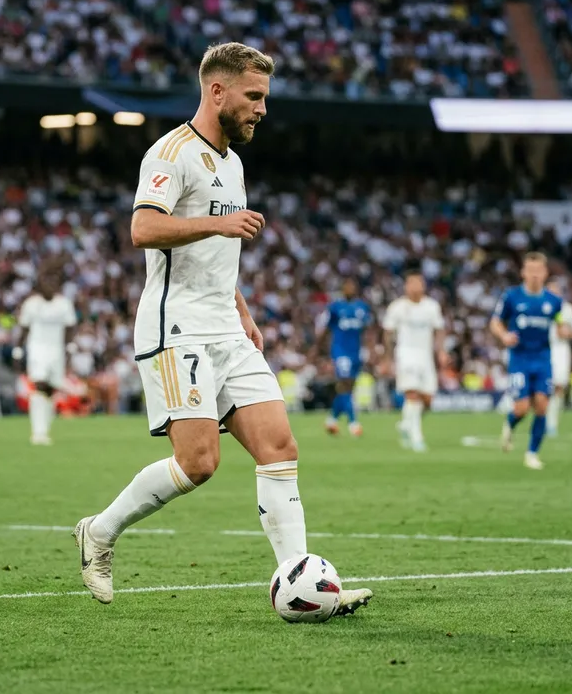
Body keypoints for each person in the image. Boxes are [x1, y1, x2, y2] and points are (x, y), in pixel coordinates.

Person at [72, 42, 373, 615]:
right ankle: (100, 531)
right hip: (176, 326)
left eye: (264, 97)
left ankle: (304, 587)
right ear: (218, 91)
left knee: (279, 447)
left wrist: (241, 307)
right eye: (254, 96)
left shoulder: (233, 163)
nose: (262, 109)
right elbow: (143, 229)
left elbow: (212, 250)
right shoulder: (171, 153)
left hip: (225, 327)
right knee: (199, 463)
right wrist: (220, 222)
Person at [490, 252, 564, 470]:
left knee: (542, 405)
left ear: (545, 273)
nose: (534, 275)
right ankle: (510, 424)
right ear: (523, 272)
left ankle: (532, 453)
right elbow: (495, 322)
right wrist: (504, 335)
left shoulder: (554, 301)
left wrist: (564, 329)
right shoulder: (511, 297)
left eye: (538, 271)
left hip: (543, 359)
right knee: (521, 408)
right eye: (530, 271)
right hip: (519, 359)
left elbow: (559, 322)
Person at [382, 271, 447, 452]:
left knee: (427, 400)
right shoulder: (397, 307)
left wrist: (441, 351)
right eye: (411, 284)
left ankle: (405, 424)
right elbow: (387, 332)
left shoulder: (431, 307)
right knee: (412, 394)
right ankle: (417, 437)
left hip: (425, 356)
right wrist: (387, 358)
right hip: (406, 354)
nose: (415, 288)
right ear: (406, 287)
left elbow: (439, 329)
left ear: (423, 286)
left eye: (418, 284)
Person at [14, 271, 77, 445]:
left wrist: (70, 348)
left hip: (56, 350)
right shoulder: (31, 304)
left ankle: (45, 429)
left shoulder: (64, 304)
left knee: (51, 389)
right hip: (37, 349)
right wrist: (18, 350)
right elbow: (24, 329)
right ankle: (37, 431)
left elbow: (70, 328)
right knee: (39, 385)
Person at [318, 277, 370, 437]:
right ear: (343, 289)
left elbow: (367, 329)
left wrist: (370, 348)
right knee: (344, 384)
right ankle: (353, 423)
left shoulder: (362, 307)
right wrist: (321, 349)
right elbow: (326, 329)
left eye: (352, 286)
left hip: (356, 351)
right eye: (347, 286)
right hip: (340, 351)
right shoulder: (335, 307)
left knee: (349, 388)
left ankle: (332, 419)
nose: (350, 289)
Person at [545, 280, 572, 437]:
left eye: (556, 290)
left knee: (559, 386)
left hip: (561, 350)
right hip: (544, 348)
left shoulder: (569, 310)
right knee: (543, 386)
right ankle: (542, 419)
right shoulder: (541, 306)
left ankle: (552, 423)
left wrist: (568, 333)